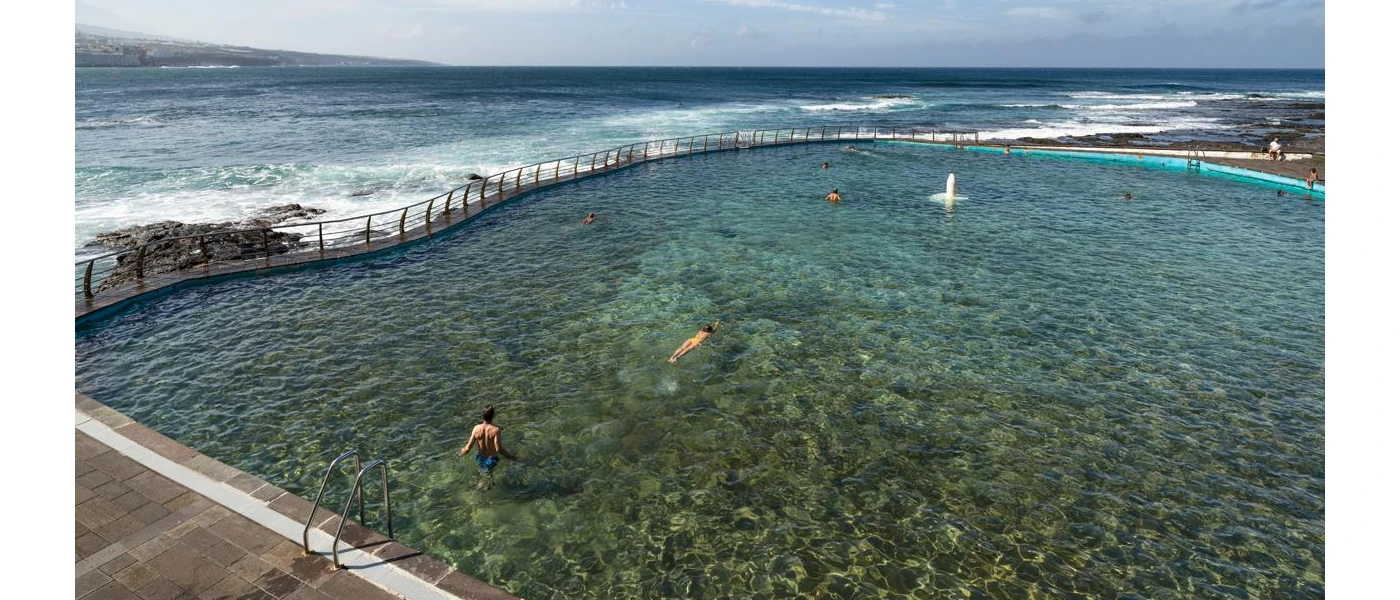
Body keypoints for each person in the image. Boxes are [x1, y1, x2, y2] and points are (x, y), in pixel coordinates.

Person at [458, 404, 517, 488]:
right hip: (492, 460)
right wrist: (511, 457)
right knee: (489, 483)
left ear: (483, 415)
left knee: (483, 474)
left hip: (479, 458)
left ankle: (478, 485)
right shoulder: (496, 430)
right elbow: (498, 449)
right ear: (493, 415)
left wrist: (460, 453)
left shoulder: (476, 428)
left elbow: (467, 448)